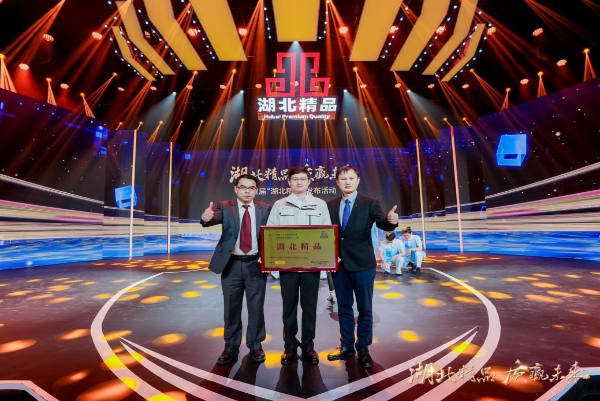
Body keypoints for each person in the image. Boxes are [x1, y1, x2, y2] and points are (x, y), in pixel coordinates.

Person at [326, 165, 398, 369]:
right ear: (337, 182)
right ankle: (346, 345)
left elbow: (382, 223)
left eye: (351, 178)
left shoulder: (370, 203)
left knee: (365, 309)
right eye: (343, 178)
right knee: (344, 308)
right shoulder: (330, 205)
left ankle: (364, 348)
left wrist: (391, 222)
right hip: (339, 265)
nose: (347, 182)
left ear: (358, 180)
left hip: (363, 265)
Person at [201, 174, 272, 365]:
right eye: (243, 187)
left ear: (256, 190)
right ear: (236, 189)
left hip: (256, 264)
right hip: (231, 264)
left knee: (256, 307)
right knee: (231, 307)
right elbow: (213, 218)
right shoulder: (225, 207)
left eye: (251, 188)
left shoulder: (265, 209)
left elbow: (273, 234)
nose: (247, 191)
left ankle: (256, 345)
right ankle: (230, 346)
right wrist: (206, 218)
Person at [267, 166, 331, 366]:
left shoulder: (320, 204)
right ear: (289, 182)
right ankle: (289, 347)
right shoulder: (279, 205)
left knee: (310, 308)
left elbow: (327, 233)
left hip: (311, 268)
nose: (299, 182)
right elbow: (271, 234)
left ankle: (308, 346)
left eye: (303, 179)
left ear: (309, 181)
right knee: (289, 308)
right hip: (288, 268)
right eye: (295, 179)